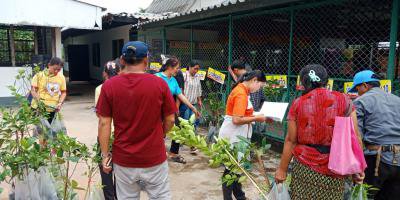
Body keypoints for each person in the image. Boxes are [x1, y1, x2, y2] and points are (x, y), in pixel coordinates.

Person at [97, 41, 176, 199]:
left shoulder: (109, 86)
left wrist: (105, 155)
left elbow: (104, 123)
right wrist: (160, 134)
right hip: (154, 159)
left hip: (124, 160)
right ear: (146, 61)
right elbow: (171, 119)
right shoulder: (160, 84)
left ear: (122, 60)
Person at [274, 64, 364, 200]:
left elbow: (291, 140)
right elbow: (355, 136)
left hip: (305, 166)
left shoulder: (298, 103)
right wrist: (357, 167)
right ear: (326, 81)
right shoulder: (345, 100)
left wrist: (282, 170)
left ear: (304, 82)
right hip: (336, 166)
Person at [349, 70, 400, 200]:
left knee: (365, 196)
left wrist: (357, 165)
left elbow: (356, 135)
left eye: (357, 88)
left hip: (376, 161)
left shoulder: (360, 101)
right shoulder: (397, 100)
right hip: (398, 160)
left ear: (365, 86)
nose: (357, 92)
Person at [219, 70, 267, 200]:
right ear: (254, 80)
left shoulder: (243, 91)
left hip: (237, 134)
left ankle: (240, 196)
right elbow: (237, 119)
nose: (259, 89)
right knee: (231, 168)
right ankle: (229, 197)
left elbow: (244, 114)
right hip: (234, 134)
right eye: (260, 86)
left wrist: (258, 116)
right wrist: (256, 119)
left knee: (236, 167)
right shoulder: (241, 93)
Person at [155, 56, 200, 164]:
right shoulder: (156, 77)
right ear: (170, 67)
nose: (178, 70)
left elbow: (181, 95)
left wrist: (193, 108)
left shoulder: (173, 80)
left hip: (169, 110)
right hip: (156, 111)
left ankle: (173, 153)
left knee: (178, 129)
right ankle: (156, 153)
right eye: (176, 68)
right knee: (156, 131)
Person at [94, 60, 121, 200]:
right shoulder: (125, 88)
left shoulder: (100, 88)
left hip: (105, 135)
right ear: (120, 72)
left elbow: (100, 115)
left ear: (104, 73)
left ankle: (110, 198)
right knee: (121, 170)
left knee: (106, 171)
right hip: (121, 135)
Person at [31, 57, 66, 123]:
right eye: (54, 69)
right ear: (49, 65)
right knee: (39, 131)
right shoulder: (39, 76)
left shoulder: (61, 77)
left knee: (51, 130)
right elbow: (33, 91)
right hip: (38, 108)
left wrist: (60, 103)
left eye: (59, 70)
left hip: (53, 108)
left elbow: (63, 92)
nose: (56, 71)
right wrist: (39, 104)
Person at [180, 60, 203, 154]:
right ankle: (187, 143)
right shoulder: (184, 76)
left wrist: (199, 100)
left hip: (193, 104)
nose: (196, 71)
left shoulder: (197, 76)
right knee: (187, 124)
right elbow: (180, 90)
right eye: (195, 68)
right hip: (184, 104)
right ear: (189, 67)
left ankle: (189, 143)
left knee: (191, 124)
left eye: (198, 69)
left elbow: (198, 89)